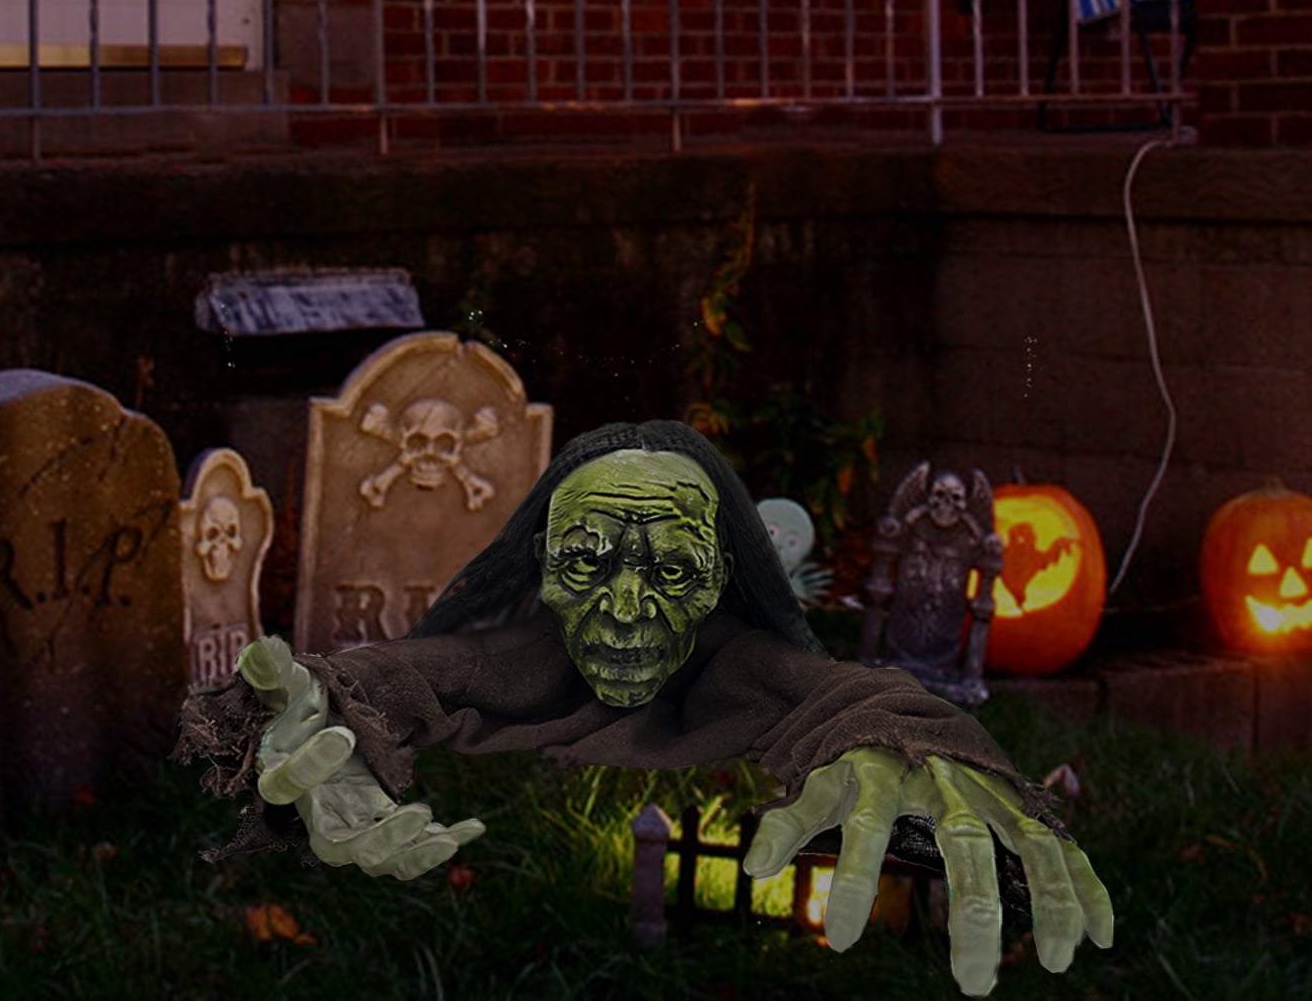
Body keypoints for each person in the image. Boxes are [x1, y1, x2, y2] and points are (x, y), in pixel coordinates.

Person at [176, 420, 1111, 996]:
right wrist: (306, 708)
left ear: (718, 577)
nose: (626, 605)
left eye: (670, 568)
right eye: (587, 562)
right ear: (544, 569)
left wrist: (909, 739)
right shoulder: (526, 652)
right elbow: (431, 670)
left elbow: (823, 688)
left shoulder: (735, 657)